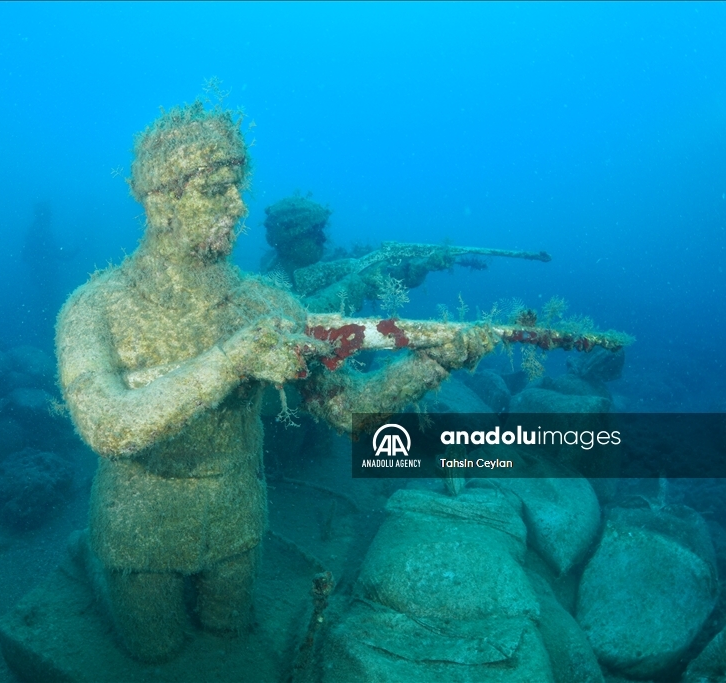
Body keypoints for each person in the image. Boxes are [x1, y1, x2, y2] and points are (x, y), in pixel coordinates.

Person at [55, 101, 459, 662]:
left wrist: (430, 365)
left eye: (239, 186)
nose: (241, 206)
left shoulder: (266, 302)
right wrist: (233, 357)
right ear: (160, 197)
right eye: (218, 188)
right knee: (153, 650)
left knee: (231, 633)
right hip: (140, 527)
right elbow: (107, 428)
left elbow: (347, 411)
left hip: (238, 519)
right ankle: (88, 558)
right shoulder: (95, 306)